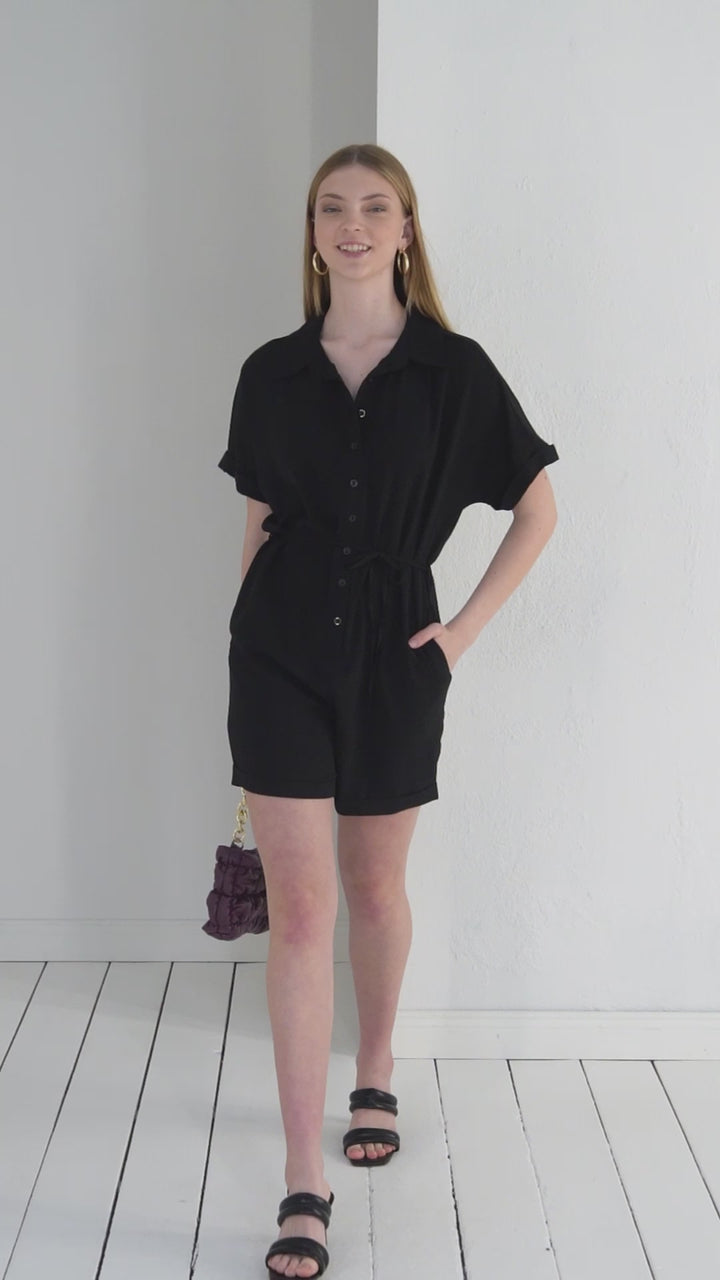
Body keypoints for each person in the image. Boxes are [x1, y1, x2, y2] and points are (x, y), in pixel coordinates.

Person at [218, 143, 559, 1278]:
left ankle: (375, 1067)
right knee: (301, 911)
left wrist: (458, 637)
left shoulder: (455, 372)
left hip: (397, 658)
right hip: (278, 655)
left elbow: (538, 510)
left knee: (372, 889)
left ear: (405, 230)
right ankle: (301, 1177)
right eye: (333, 208)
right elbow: (258, 522)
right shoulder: (272, 371)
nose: (352, 223)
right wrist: (245, 648)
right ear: (313, 233)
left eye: (375, 206)